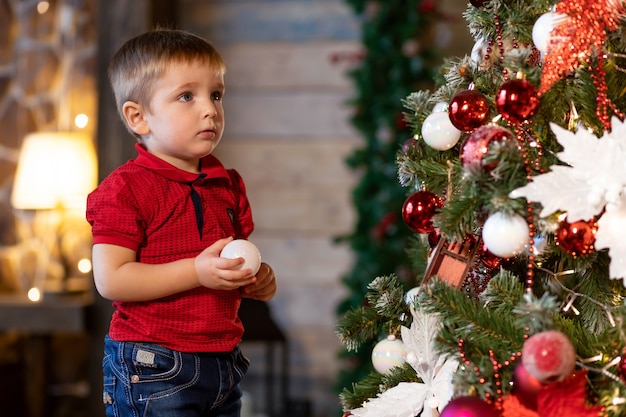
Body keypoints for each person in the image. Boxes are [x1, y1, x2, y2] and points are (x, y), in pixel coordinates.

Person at [86, 28, 277, 417]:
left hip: (222, 362)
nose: (209, 109)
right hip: (153, 365)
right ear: (138, 116)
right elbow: (112, 279)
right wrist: (197, 272)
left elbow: (222, 263)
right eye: (187, 96)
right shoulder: (126, 188)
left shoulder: (227, 185)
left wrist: (253, 278)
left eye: (216, 94)